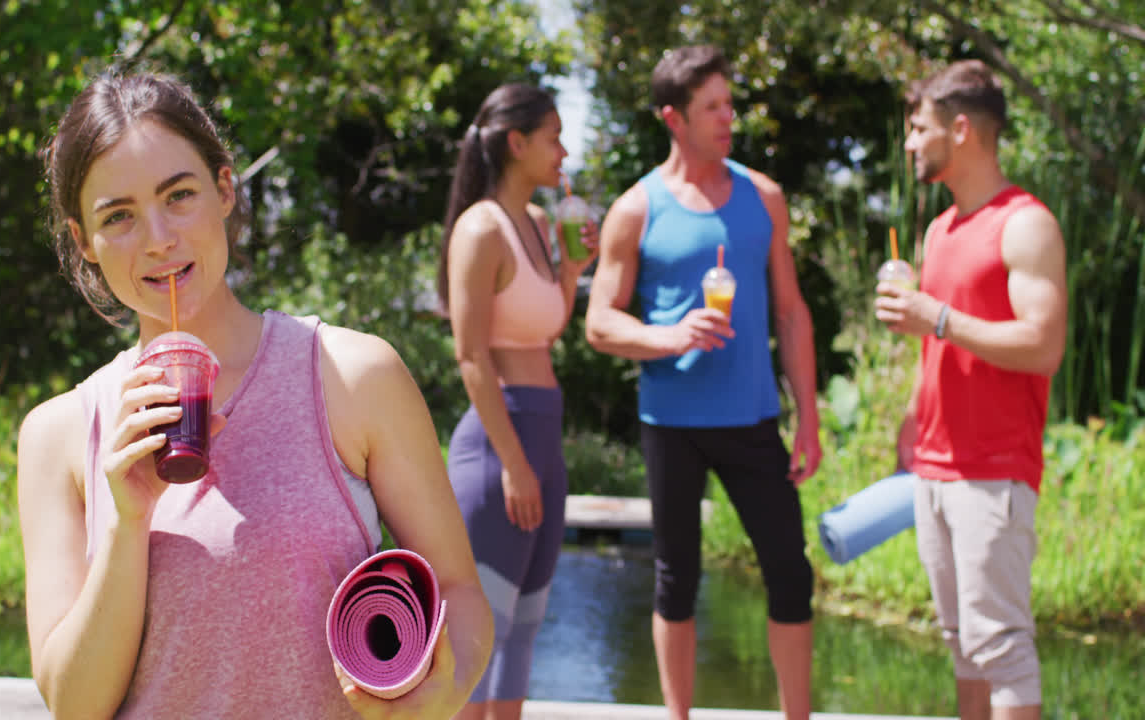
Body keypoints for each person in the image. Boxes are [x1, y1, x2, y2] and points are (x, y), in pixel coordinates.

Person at [16, 70, 493, 720]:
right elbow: (73, 705)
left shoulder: (353, 377)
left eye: (179, 195)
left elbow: (460, 594)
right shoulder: (60, 436)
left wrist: (440, 694)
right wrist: (128, 522)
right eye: (118, 216)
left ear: (224, 189)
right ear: (83, 241)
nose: (157, 238)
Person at [584, 46, 819, 720]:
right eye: (711, 107)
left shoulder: (763, 196)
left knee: (790, 574)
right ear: (673, 118)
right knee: (675, 582)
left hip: (753, 419)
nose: (727, 118)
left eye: (729, 104)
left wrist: (808, 417)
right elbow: (599, 323)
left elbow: (791, 312)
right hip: (672, 425)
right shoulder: (637, 208)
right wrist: (671, 336)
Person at [876, 60, 1066, 720]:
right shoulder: (939, 229)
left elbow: (1043, 346)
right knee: (963, 647)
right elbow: (938, 345)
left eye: (918, 128)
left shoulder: (1026, 224)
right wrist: (912, 421)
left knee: (1001, 647)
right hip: (934, 469)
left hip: (994, 470)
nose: (909, 143)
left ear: (960, 129)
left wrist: (938, 318)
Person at [436, 83, 597, 720]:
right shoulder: (481, 229)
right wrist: (513, 463)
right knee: (480, 636)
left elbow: (542, 331)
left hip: (542, 439)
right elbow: (471, 355)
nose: (565, 153)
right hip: (498, 447)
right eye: (555, 139)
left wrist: (572, 271)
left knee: (524, 628)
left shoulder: (536, 222)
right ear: (517, 142)